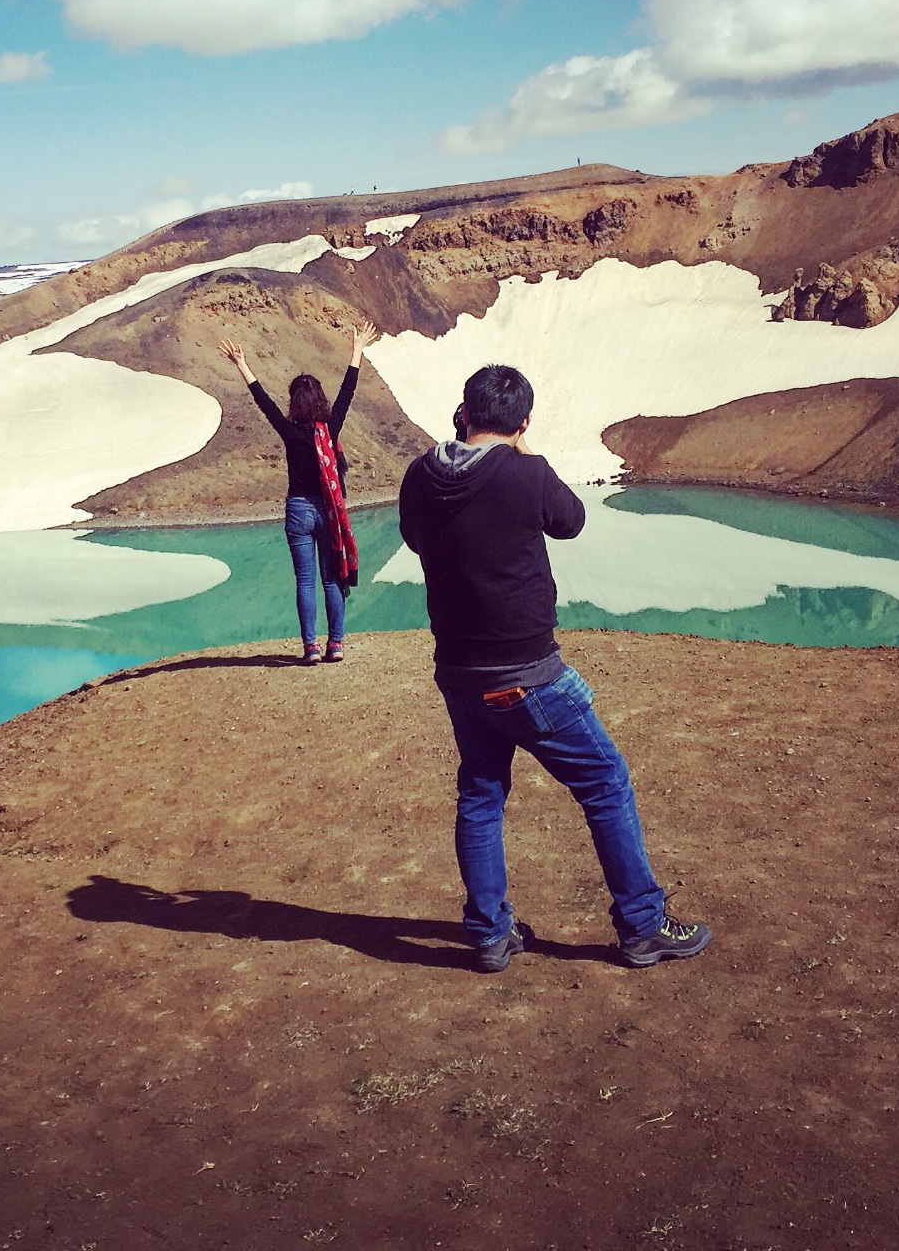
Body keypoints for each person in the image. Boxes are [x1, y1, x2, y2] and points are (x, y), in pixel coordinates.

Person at [398, 363, 710, 973]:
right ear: (522, 421)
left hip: (460, 674)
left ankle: (490, 934)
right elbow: (571, 521)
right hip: (530, 675)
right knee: (605, 782)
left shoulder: (420, 475)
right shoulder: (526, 472)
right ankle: (643, 927)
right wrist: (523, 452)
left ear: (465, 412)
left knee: (481, 795)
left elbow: (415, 538)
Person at [218, 321, 378, 664]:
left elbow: (263, 402)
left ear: (294, 402)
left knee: (305, 582)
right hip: (328, 511)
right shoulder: (330, 429)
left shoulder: (290, 432)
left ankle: (311, 649)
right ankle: (336, 645)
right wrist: (356, 351)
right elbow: (347, 393)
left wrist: (242, 365)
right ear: (320, 401)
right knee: (331, 579)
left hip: (298, 511)